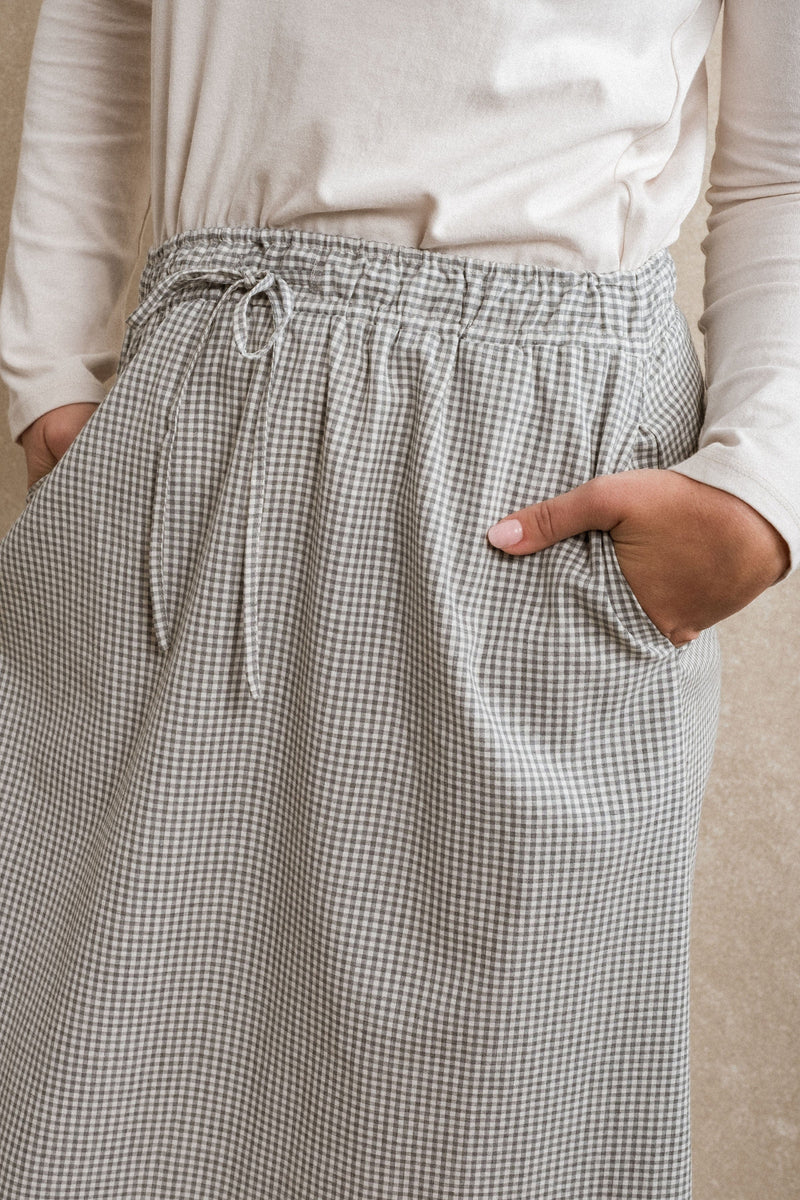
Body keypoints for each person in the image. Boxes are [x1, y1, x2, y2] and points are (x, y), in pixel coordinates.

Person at [0, 1, 796, 1197]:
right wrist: (47, 370)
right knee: (96, 1090)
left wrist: (754, 486)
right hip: (202, 423)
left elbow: (782, 163)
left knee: (487, 1134)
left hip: (528, 480)